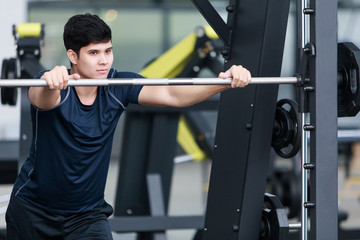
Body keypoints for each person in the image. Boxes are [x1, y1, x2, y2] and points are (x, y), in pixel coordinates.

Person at [5, 13, 251, 240]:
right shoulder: (51, 87)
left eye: (108, 51)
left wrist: (226, 82)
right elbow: (42, 99)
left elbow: (174, 95)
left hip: (86, 217)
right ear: (73, 56)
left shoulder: (118, 85)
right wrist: (51, 83)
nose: (103, 60)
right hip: (33, 213)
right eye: (93, 53)